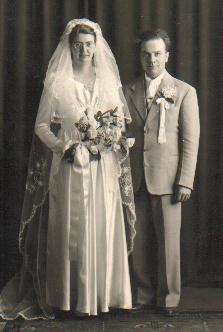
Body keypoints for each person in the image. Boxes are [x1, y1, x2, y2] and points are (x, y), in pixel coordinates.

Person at [0, 18, 136, 319]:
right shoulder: (58, 82)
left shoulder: (108, 80)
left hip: (103, 165)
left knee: (103, 224)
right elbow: (41, 126)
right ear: (70, 47)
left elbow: (118, 124)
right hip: (71, 163)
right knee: (71, 229)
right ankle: (69, 299)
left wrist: (111, 139)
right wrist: (66, 147)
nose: (84, 49)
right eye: (78, 45)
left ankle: (105, 296)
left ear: (96, 46)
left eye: (89, 44)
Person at [124, 29, 200, 314]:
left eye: (157, 54)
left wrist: (185, 181)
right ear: (140, 57)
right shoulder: (126, 90)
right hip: (134, 177)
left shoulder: (183, 91)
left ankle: (168, 299)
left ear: (167, 56)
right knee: (138, 240)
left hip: (168, 180)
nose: (152, 60)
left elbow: (190, 141)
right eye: (146, 54)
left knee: (169, 243)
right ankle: (143, 295)